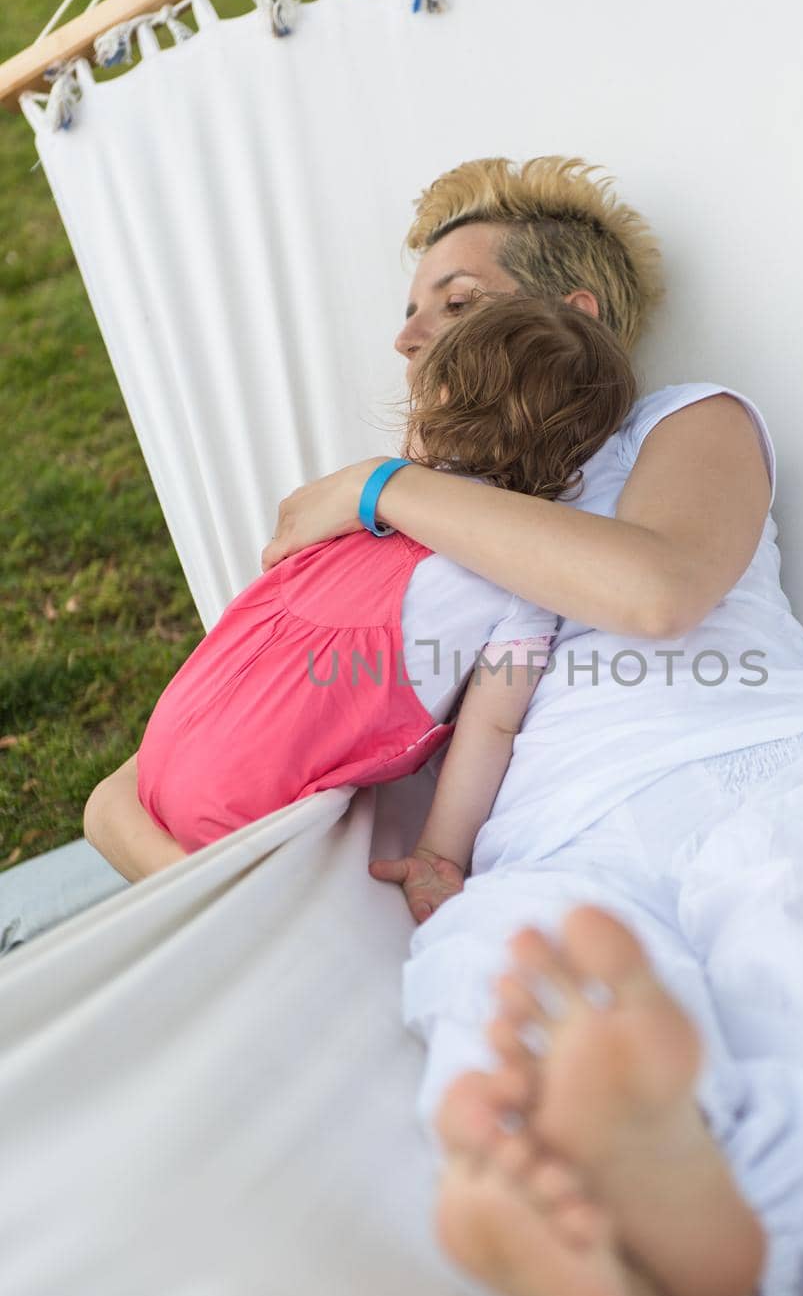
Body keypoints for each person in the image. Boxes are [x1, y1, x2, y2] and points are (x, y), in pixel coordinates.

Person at [220, 155, 803, 1296]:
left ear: (571, 314)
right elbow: (347, 712)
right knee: (496, 990)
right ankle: (614, 1293)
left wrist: (385, 488)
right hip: (556, 844)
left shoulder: (690, 419)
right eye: (407, 312)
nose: (408, 335)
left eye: (451, 298)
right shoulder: (450, 520)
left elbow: (659, 592)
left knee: (800, 937)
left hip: (763, 768)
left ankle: (711, 1270)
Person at [82, 295, 639, 909]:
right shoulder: (524, 585)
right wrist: (438, 855)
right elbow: (494, 724)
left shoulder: (364, 503)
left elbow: (277, 569)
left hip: (165, 745)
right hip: (244, 807)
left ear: (440, 398)